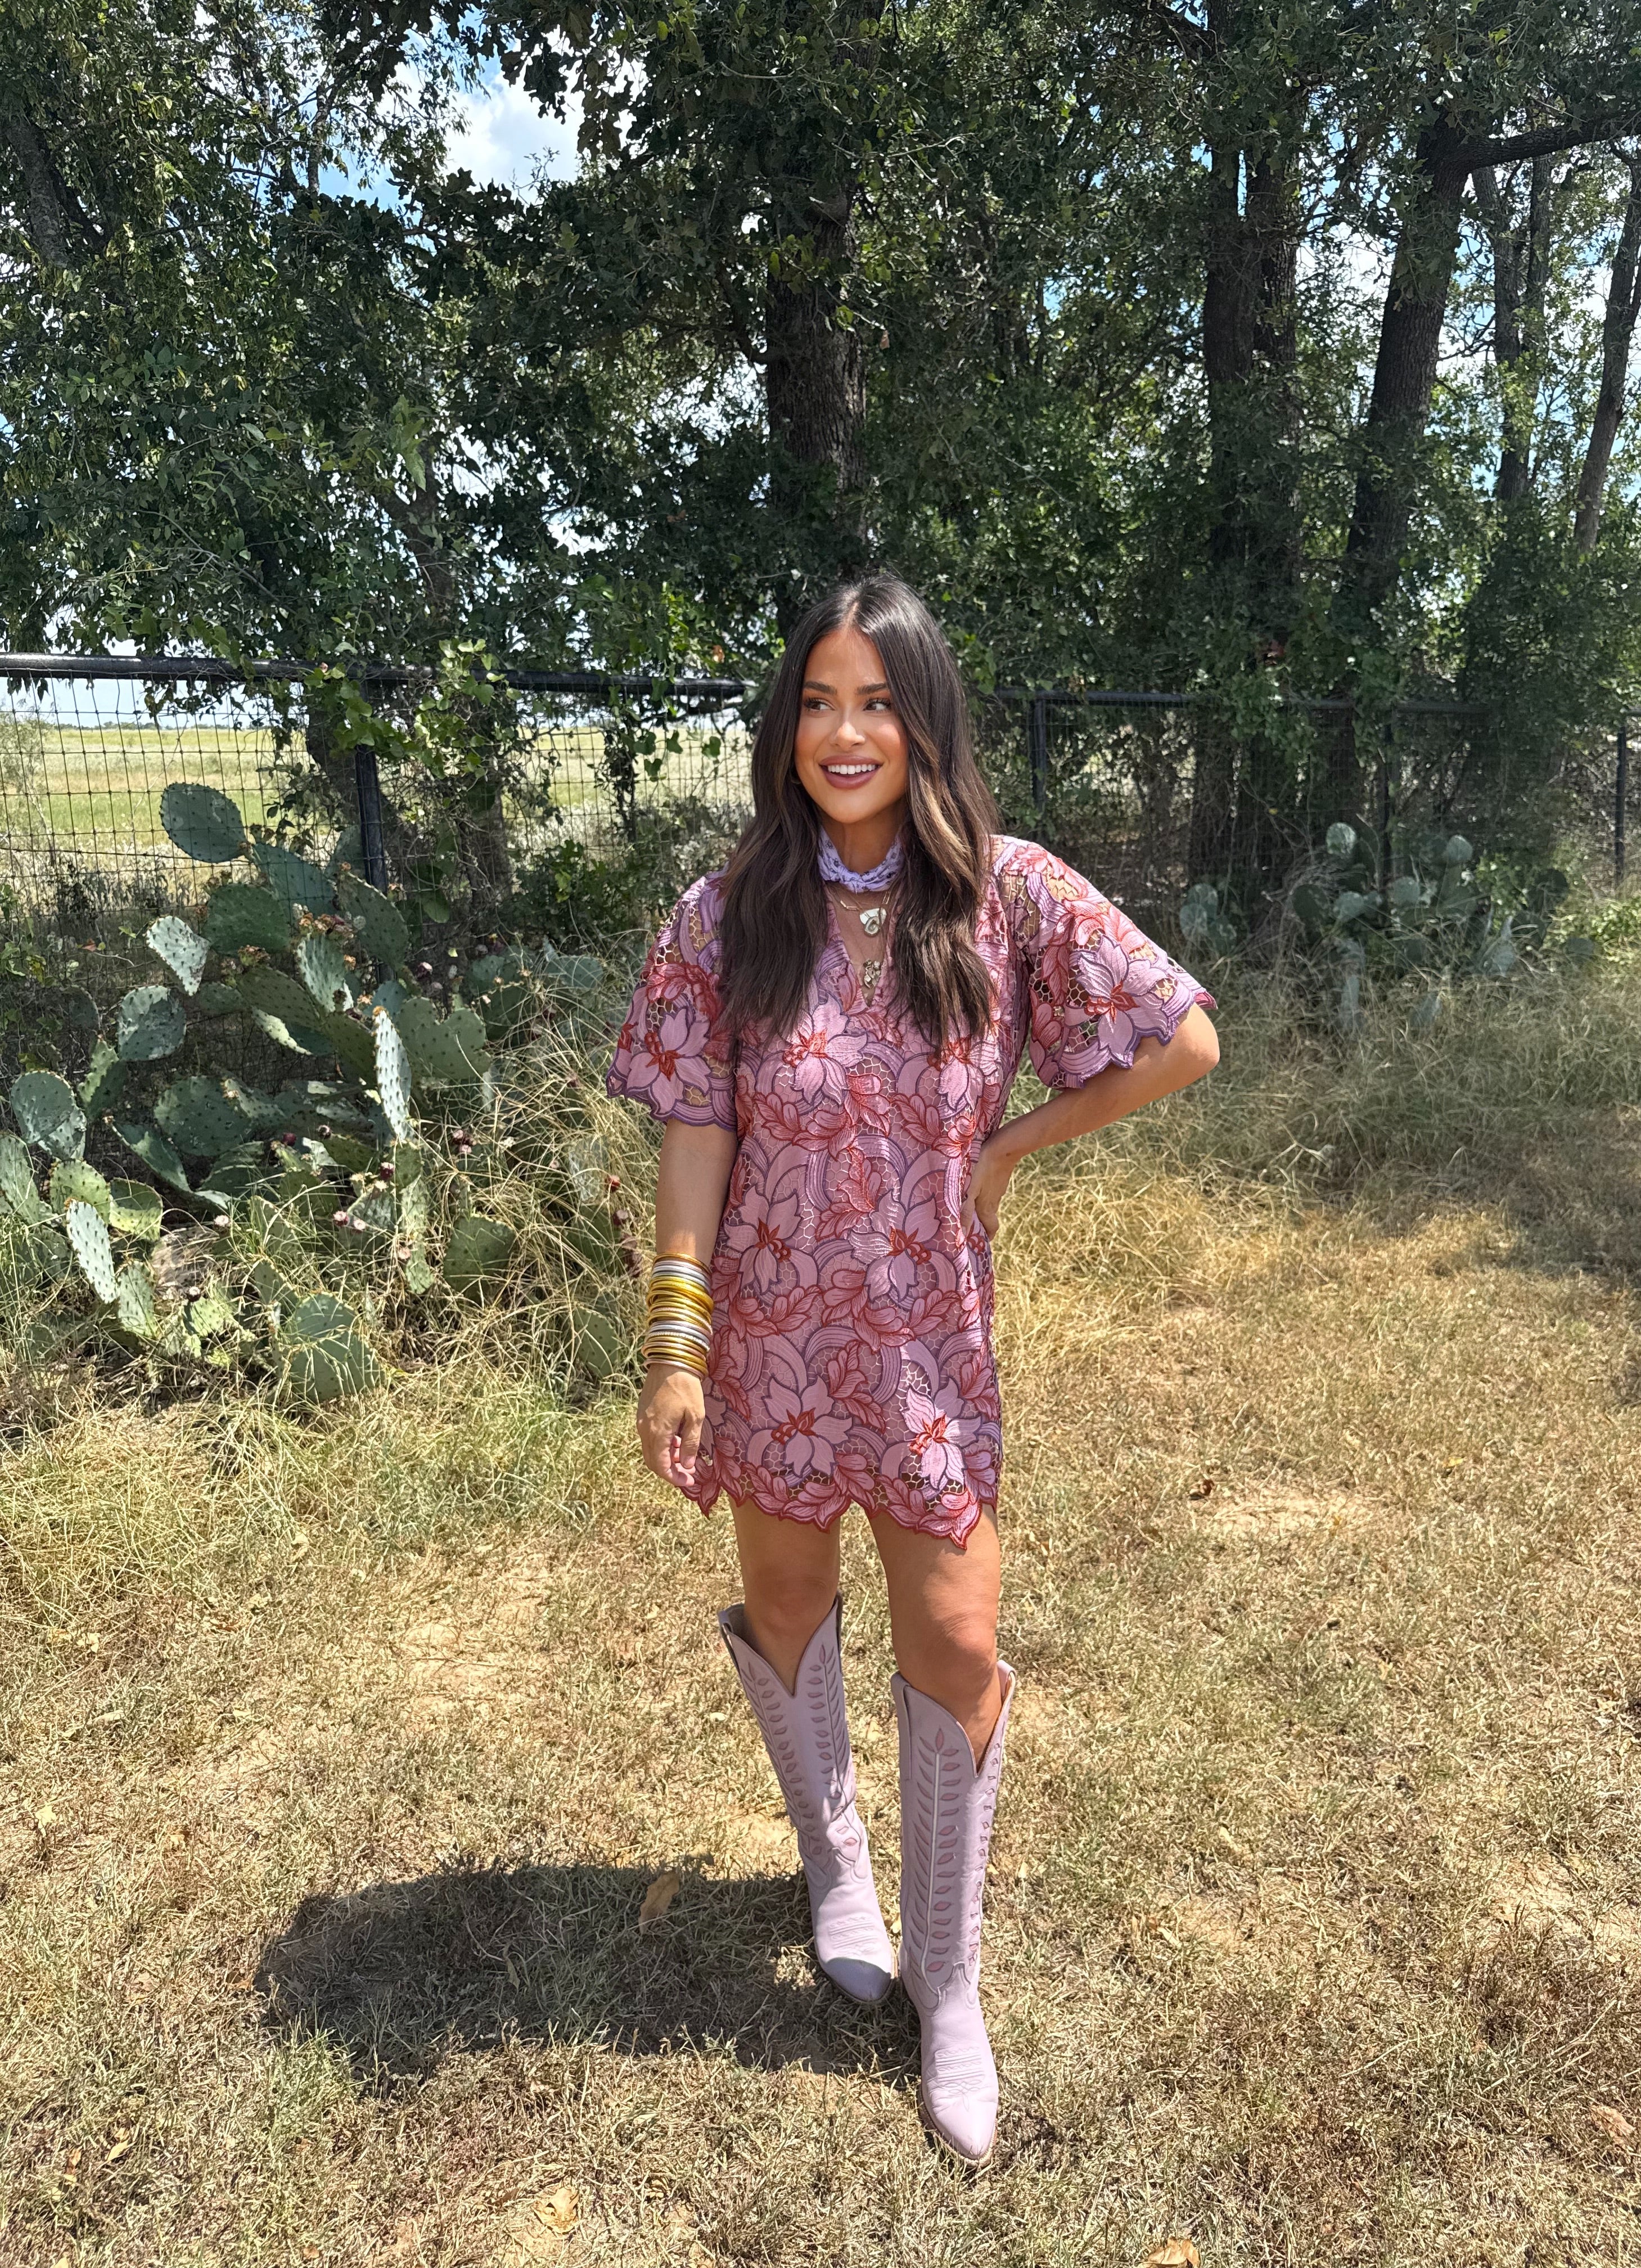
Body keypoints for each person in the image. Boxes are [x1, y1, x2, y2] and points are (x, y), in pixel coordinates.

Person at [607, 574, 1218, 2166]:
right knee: (787, 1604)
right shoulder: (729, 911)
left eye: (877, 701)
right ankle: (838, 1871)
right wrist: (675, 1347)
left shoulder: (1008, 897)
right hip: (770, 1349)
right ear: (785, 726)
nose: (845, 732)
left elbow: (1183, 1036)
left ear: (926, 720)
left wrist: (1012, 1146)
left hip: (930, 1354)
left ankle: (951, 1982)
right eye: (817, 701)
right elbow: (696, 1130)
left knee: (956, 1640)